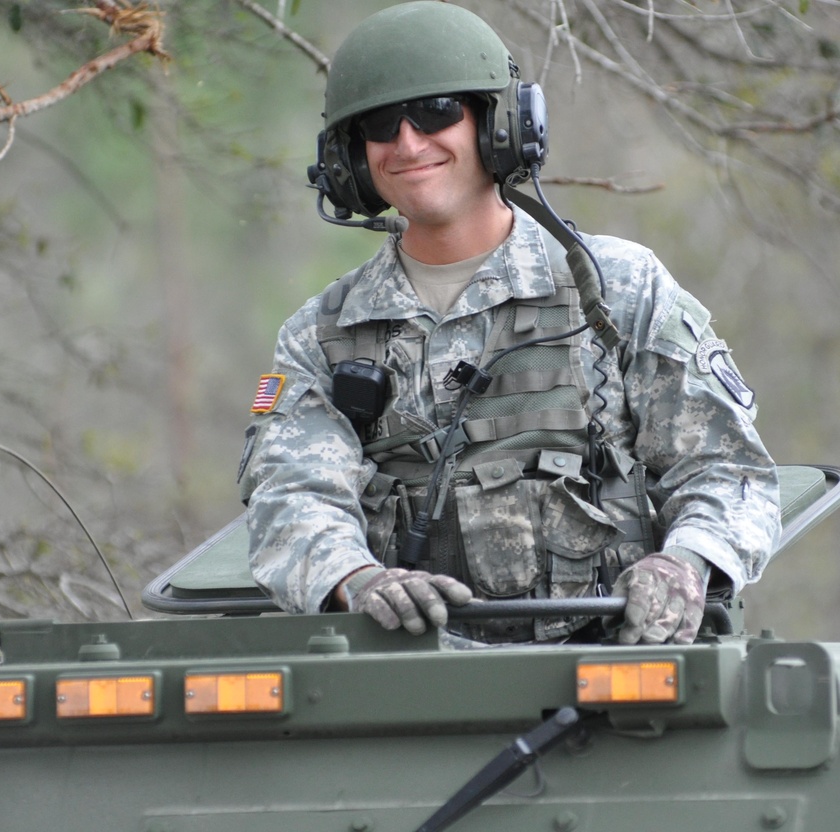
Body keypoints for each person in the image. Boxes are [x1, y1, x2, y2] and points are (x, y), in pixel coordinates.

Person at [237, 1, 781, 645]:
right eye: (381, 125)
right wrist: (358, 579)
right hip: (407, 674)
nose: (409, 143)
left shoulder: (613, 288)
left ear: (500, 125)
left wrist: (683, 565)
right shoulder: (322, 335)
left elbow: (727, 471)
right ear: (352, 159)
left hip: (613, 668)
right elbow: (290, 499)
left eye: (437, 111)